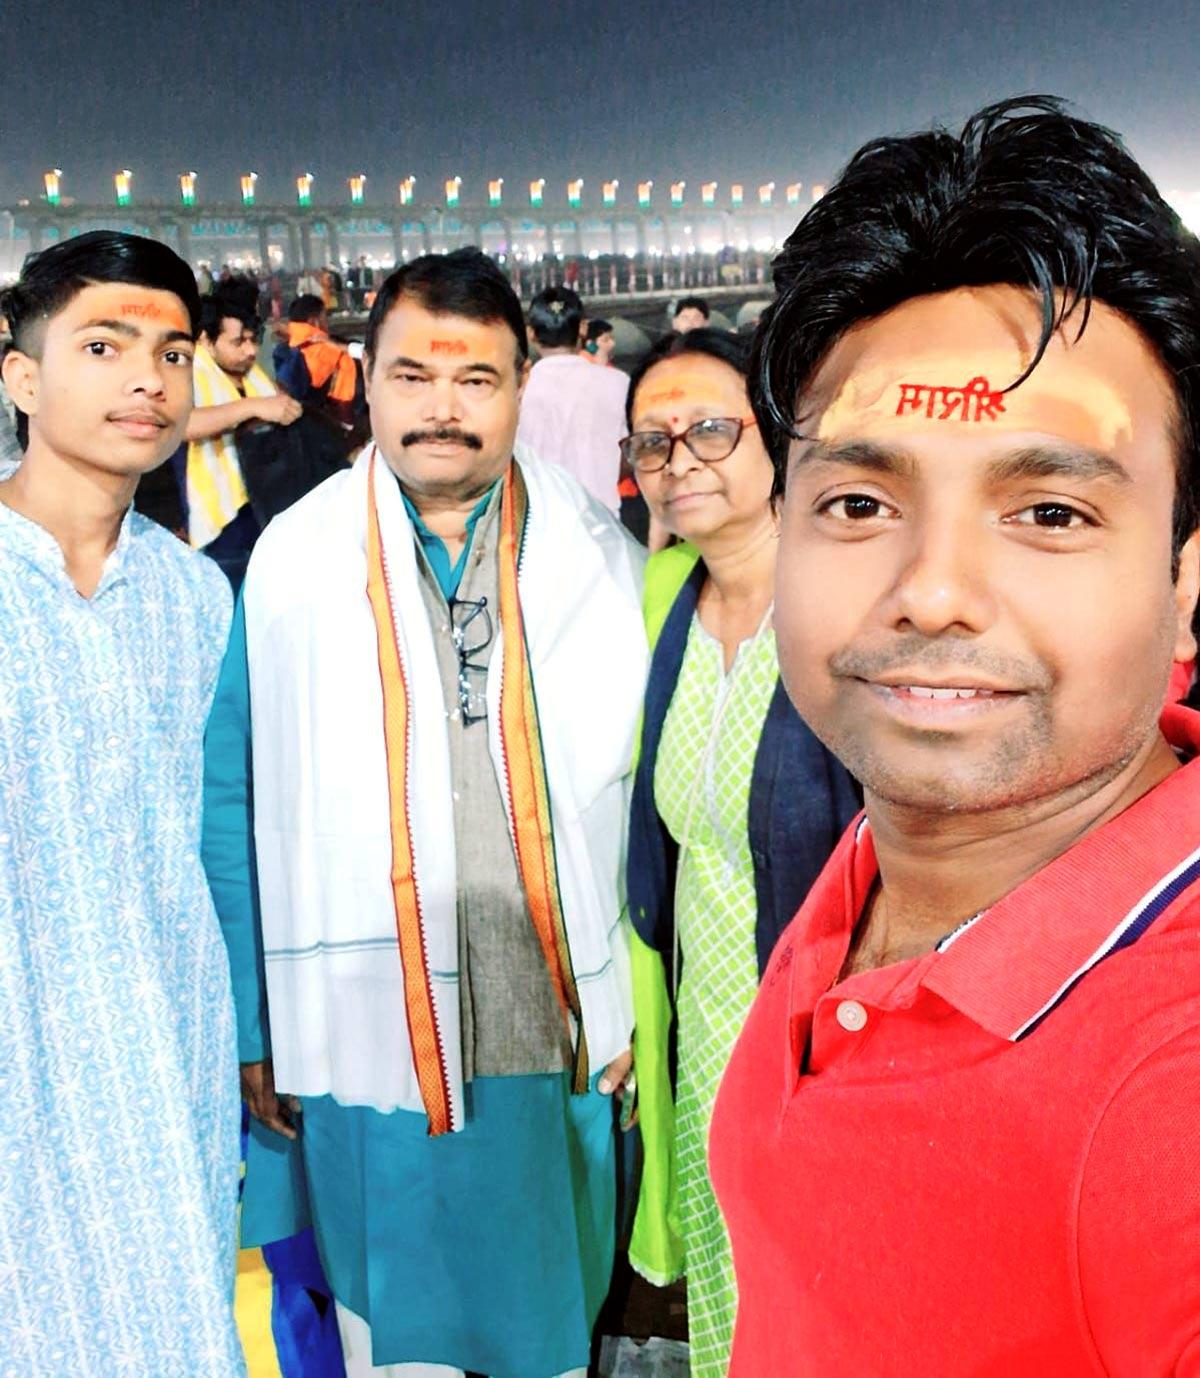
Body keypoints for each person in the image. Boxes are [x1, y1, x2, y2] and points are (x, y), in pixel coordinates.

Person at [709, 96, 1200, 1377]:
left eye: (1046, 511)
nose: (931, 589)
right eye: (861, 499)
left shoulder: (1168, 1094)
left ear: (1187, 578)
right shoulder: (894, 850)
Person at [205, 247, 648, 1376]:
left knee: (547, 1319)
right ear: (368, 376)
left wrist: (638, 1000)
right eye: (412, 376)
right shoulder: (293, 562)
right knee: (389, 1325)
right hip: (360, 1019)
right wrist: (254, 1025)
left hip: (549, 1015)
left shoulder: (601, 553)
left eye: (476, 381)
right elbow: (232, 795)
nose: (441, 409)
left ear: (516, 392)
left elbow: (648, 799)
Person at [0, 231, 244, 1374]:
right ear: (20, 375)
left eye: (172, 350)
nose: (148, 378)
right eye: (104, 345)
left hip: (161, 1061)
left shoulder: (195, 599)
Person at [622, 329, 859, 1377]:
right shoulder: (661, 597)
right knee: (726, 1301)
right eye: (654, 443)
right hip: (704, 1041)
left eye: (711, 429)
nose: (683, 462)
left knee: (827, 1299)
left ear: (774, 435)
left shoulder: (839, 605)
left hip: (826, 1040)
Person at [185, 279, 302, 587]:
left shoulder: (251, 372)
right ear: (208, 342)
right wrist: (253, 407)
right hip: (224, 518)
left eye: (253, 340)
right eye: (238, 342)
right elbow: (181, 425)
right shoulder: (189, 371)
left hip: (266, 502)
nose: (250, 351)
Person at [517, 286, 628, 511]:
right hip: (602, 522)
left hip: (537, 522)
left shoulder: (516, 390)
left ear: (531, 333)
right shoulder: (618, 383)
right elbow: (629, 455)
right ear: (583, 328)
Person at [274, 292, 362, 432]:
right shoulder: (329, 351)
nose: (327, 322)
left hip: (297, 422)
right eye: (324, 317)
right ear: (314, 322)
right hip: (330, 423)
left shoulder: (284, 347)